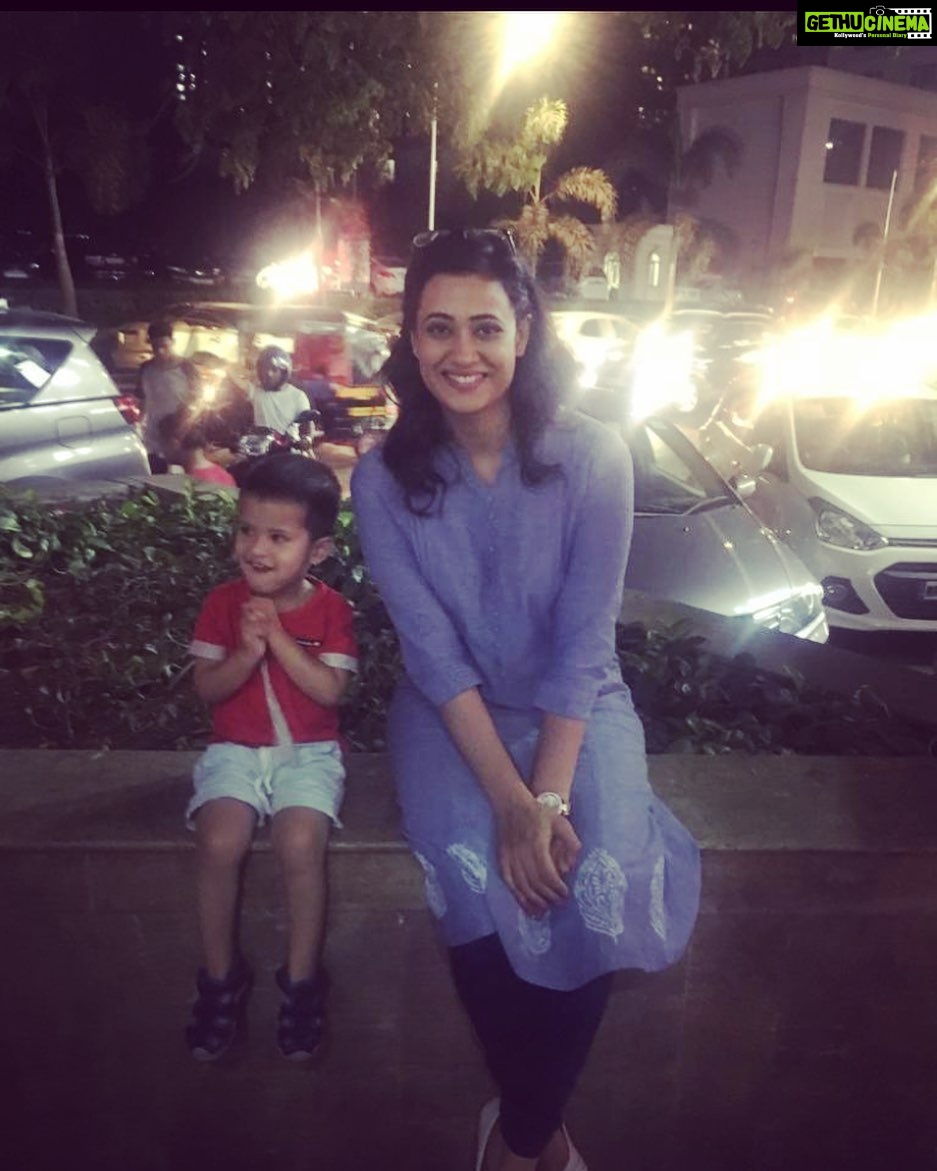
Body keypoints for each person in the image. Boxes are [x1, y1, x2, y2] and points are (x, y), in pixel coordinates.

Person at [350, 229, 701, 1171]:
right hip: (448, 716)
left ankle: (513, 1139)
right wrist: (509, 806)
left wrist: (544, 797)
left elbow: (585, 642)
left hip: (576, 704)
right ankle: (542, 1135)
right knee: (474, 876)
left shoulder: (593, 455)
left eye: (484, 326)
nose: (461, 351)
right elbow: (433, 656)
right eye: (437, 328)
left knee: (595, 870)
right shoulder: (380, 479)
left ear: (523, 332)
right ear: (410, 339)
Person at [185, 454, 358, 1063]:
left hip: (308, 754)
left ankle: (302, 981)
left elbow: (330, 691)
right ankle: (219, 978)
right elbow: (208, 688)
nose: (256, 548)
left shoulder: (332, 611)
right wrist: (245, 652)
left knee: (299, 841)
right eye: (247, 531)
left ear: (317, 551)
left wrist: (277, 639)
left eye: (278, 537)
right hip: (235, 750)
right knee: (218, 841)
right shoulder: (221, 603)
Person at [138, 320, 201, 473]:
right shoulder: (145, 369)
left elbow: (198, 400)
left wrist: (181, 427)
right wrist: (138, 425)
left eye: (164, 346)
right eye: (155, 347)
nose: (160, 351)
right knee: (157, 477)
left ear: (173, 342)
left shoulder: (186, 367)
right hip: (153, 437)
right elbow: (142, 400)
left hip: (180, 435)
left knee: (183, 479)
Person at [158, 406, 238, 487]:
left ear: (174, 443)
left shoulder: (186, 482)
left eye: (163, 444)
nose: (162, 452)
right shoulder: (225, 477)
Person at [250, 344, 313, 434]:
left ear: (284, 372)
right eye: (265, 369)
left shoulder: (298, 396)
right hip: (261, 442)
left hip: (289, 442)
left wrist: (307, 439)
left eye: (274, 370)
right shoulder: (255, 392)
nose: (269, 374)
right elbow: (233, 373)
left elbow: (308, 426)